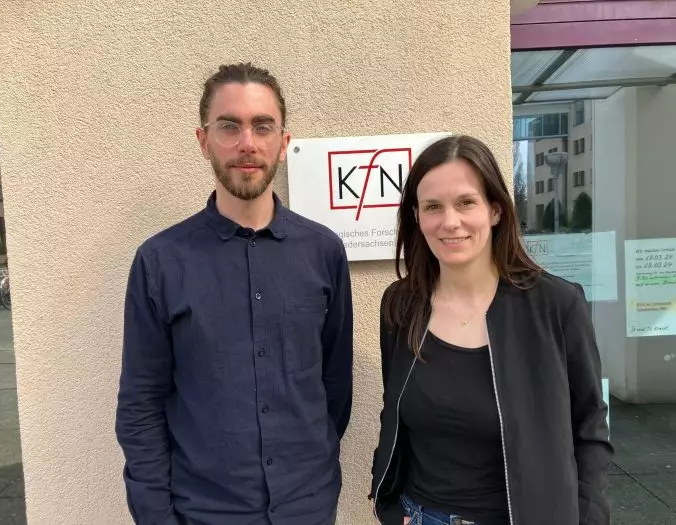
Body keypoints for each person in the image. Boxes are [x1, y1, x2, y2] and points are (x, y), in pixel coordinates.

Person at [116, 63, 353, 525]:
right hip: (204, 512)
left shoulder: (324, 252)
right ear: (203, 141)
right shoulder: (160, 262)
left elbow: (334, 387)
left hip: (307, 508)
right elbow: (140, 405)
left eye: (263, 126)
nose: (248, 143)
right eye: (229, 126)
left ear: (283, 142)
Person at [369, 135, 613, 525]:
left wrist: (587, 516)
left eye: (466, 202)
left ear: (495, 210)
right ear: (417, 216)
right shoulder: (401, 305)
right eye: (433, 206)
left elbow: (590, 429)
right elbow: (394, 411)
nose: (450, 221)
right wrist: (388, 505)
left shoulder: (555, 305)